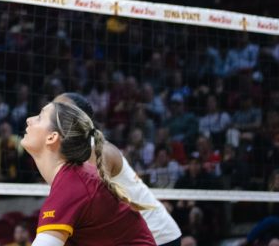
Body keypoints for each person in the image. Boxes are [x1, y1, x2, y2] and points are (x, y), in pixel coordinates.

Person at [21, 96, 155, 246]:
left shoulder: (71, 186)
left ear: (52, 138)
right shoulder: (73, 177)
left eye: (39, 118)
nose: (29, 120)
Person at [57, 93, 181, 246]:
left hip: (158, 235)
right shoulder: (70, 153)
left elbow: (89, 205)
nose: (53, 111)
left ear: (77, 119)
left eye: (61, 108)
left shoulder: (96, 152)